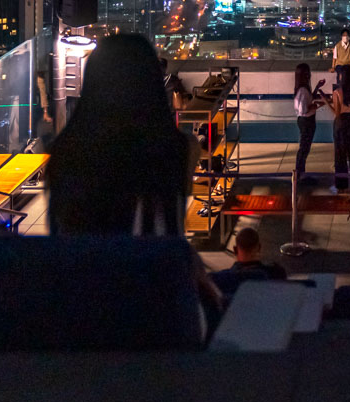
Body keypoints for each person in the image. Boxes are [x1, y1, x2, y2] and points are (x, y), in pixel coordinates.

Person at [45, 35, 220, 314]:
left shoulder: (66, 153)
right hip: (162, 304)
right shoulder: (180, 149)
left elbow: (59, 236)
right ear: (151, 82)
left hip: (83, 304)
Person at [326, 64, 350, 194]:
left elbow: (337, 112)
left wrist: (326, 101)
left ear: (342, 76)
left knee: (340, 154)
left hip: (341, 122)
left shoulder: (337, 92)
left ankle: (341, 184)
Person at [293, 63, 326, 176]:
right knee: (304, 149)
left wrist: (317, 87)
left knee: (304, 148)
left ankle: (301, 173)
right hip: (307, 121)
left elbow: (309, 99)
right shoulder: (302, 90)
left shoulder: (302, 88)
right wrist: (317, 105)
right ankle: (299, 174)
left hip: (305, 121)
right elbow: (304, 110)